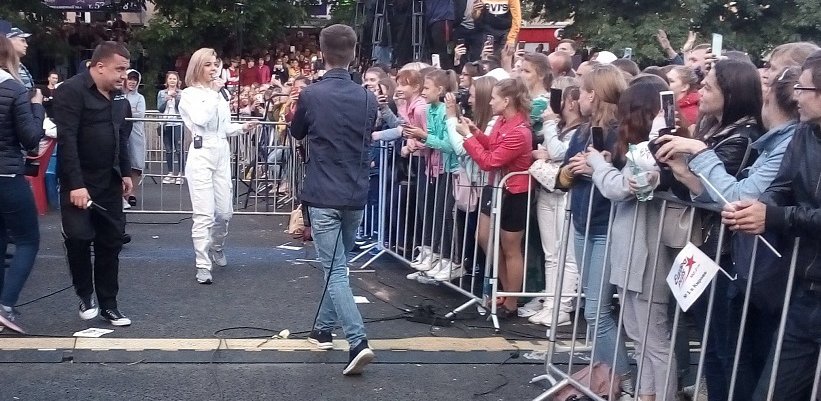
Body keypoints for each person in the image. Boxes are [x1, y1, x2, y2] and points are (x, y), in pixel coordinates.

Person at [722, 53, 821, 401]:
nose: (794, 96)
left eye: (802, 88)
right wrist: (757, 208)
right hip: (807, 293)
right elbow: (783, 185)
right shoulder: (804, 133)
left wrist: (774, 216)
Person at [290, 24, 377, 376]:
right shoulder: (368, 98)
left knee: (335, 270)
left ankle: (358, 341)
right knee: (339, 266)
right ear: (353, 53)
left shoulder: (312, 95)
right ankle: (323, 330)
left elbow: (297, 131)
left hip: (323, 192)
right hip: (355, 193)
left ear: (322, 53)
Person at [53, 41, 134, 326]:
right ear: (100, 66)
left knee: (111, 242)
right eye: (119, 69)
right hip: (79, 181)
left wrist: (126, 172)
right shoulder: (70, 91)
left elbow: (121, 136)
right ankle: (85, 293)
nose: (124, 76)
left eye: (126, 69)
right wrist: (76, 184)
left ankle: (109, 304)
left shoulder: (119, 97)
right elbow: (67, 140)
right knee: (78, 237)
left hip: (109, 180)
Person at [178, 48, 259, 285]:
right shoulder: (189, 95)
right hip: (201, 153)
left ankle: (217, 245)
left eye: (215, 64)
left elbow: (223, 127)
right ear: (197, 67)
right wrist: (214, 94)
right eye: (208, 64)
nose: (213, 69)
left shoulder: (219, 95)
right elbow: (200, 120)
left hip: (221, 151)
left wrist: (242, 128)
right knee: (203, 214)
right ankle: (202, 264)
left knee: (224, 212)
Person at [462, 78, 533, 317]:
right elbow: (493, 145)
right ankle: (504, 289)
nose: (490, 102)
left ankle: (511, 300)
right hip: (498, 187)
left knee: (510, 247)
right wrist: (476, 133)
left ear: (507, 100)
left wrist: (468, 138)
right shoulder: (503, 122)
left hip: (514, 192)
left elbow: (489, 161)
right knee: (485, 238)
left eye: (494, 98)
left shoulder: (520, 131)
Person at [0, 36, 45, 334]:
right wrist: (37, 107)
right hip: (7, 174)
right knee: (28, 240)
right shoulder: (14, 89)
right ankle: (5, 305)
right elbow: (30, 139)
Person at [157, 71, 184, 185]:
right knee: (168, 149)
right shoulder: (161, 93)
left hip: (177, 123)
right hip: (165, 123)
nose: (172, 81)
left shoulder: (181, 93)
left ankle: (181, 173)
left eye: (174, 79)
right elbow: (160, 108)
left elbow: (182, 108)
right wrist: (166, 99)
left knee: (179, 149)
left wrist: (176, 98)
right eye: (170, 79)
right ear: (167, 81)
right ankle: (170, 172)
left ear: (177, 81)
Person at [123, 69, 145, 208]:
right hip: (122, 132)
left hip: (136, 133)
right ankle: (122, 194)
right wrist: (131, 111)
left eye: (135, 80)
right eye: (130, 79)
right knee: (122, 163)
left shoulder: (140, 98)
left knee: (136, 164)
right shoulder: (118, 95)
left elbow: (140, 114)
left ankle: (131, 194)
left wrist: (126, 112)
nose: (132, 82)